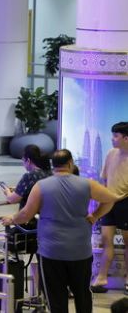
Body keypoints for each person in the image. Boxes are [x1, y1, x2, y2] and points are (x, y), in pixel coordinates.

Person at [1, 149, 125, 313]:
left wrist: (12, 219)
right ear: (70, 163)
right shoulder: (87, 184)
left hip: (52, 252)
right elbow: (111, 199)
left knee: (56, 297)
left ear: (53, 166)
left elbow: (25, 214)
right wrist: (95, 216)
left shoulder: (42, 186)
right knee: (82, 295)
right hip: (80, 252)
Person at [91, 122, 128, 295]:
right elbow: (104, 180)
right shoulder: (110, 154)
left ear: (126, 138)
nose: (112, 139)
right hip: (109, 202)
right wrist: (103, 200)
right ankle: (102, 277)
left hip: (125, 203)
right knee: (106, 240)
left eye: (116, 136)